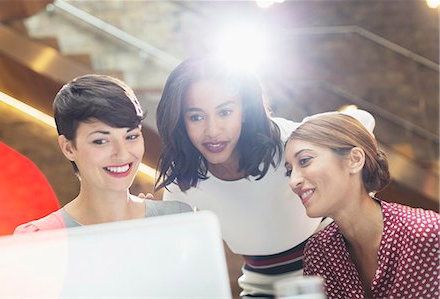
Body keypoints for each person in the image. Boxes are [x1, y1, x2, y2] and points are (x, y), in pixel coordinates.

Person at [153, 55, 375, 297]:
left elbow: (362, 121)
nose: (213, 131)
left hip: (333, 270)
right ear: (181, 121)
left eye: (225, 112)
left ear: (245, 111)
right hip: (260, 285)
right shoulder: (183, 176)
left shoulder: (287, 141)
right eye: (196, 116)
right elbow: (171, 250)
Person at [285, 113, 439, 298]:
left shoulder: (427, 233)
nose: (293, 181)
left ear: (355, 160)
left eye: (304, 160)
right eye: (289, 171)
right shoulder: (319, 252)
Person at [15, 74, 192, 233]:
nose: (122, 154)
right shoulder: (41, 237)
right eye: (100, 141)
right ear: (68, 148)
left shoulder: (177, 219)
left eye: (131, 136)